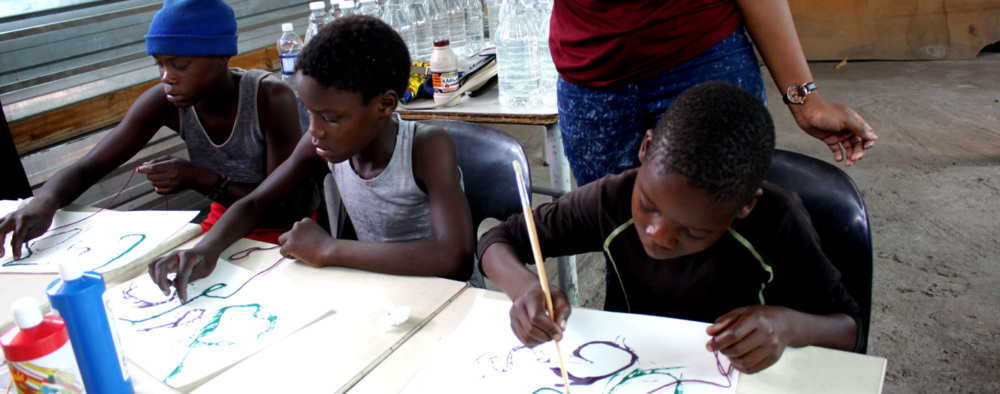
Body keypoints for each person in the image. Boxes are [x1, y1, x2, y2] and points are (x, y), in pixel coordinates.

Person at [480, 81, 864, 374]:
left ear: (745, 207)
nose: (657, 235)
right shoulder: (613, 199)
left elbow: (849, 329)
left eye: (693, 231)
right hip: (633, 369)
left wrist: (789, 327)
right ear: (646, 149)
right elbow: (497, 240)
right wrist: (525, 290)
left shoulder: (779, 222)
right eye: (647, 206)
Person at [147, 15, 475, 302]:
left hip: (449, 301)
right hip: (384, 295)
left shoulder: (427, 148)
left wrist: (329, 249)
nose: (315, 130)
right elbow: (256, 203)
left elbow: (454, 258)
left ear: (385, 105)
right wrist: (207, 249)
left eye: (331, 117)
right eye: (309, 112)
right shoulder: (321, 144)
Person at [0, 0, 310, 259]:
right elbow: (86, 168)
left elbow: (281, 209)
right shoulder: (165, 101)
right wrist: (43, 202)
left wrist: (201, 178)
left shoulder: (269, 98)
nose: (167, 77)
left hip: (285, 232)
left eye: (180, 65)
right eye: (159, 65)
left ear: (221, 56)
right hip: (222, 224)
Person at [549, 0, 879, 186]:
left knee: (723, 239)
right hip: (590, 77)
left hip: (704, 58)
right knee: (622, 243)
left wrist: (805, 98)